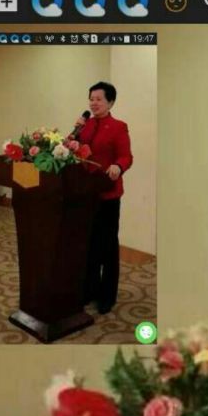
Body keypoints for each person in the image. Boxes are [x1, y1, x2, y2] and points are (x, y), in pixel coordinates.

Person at [75, 81, 133, 315]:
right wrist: (74, 137)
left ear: (110, 102)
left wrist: (118, 166)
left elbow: (126, 156)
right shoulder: (85, 125)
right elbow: (73, 149)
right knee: (87, 244)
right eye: (91, 99)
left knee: (107, 246)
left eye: (98, 99)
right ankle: (89, 289)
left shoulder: (118, 127)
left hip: (107, 194)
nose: (93, 103)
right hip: (85, 194)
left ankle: (107, 296)